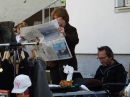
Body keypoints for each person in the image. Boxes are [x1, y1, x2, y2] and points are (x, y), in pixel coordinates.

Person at [47, 7, 79, 84]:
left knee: (66, 85)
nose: (55, 20)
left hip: (67, 64)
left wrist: (64, 34)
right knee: (55, 85)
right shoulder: (54, 30)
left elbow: (75, 40)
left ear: (64, 17)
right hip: (55, 64)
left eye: (57, 18)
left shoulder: (71, 29)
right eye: (54, 18)